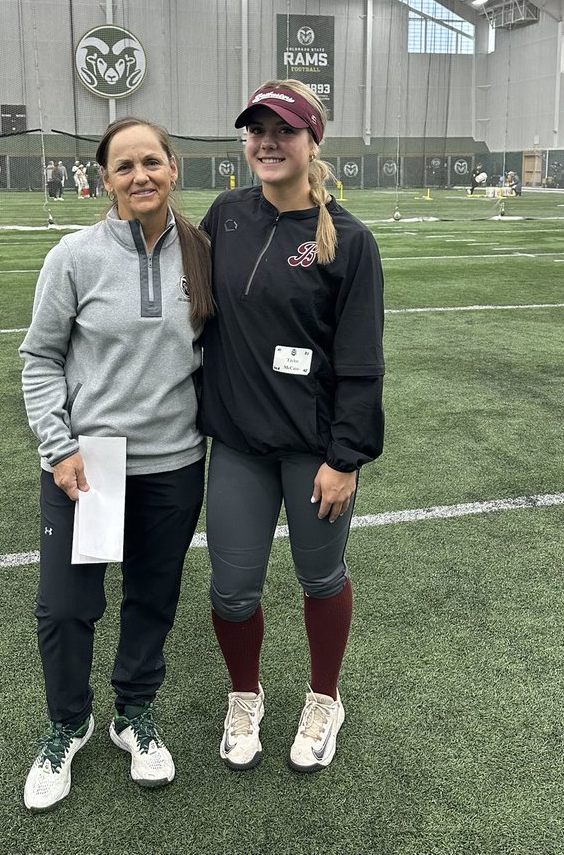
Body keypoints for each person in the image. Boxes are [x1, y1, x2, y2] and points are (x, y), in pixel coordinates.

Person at [19, 117, 214, 809]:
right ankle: (69, 723)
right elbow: (39, 358)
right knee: (67, 608)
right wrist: (59, 446)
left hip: (175, 464)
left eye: (152, 162)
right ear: (104, 179)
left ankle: (134, 715)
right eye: (125, 166)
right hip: (88, 464)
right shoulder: (73, 255)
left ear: (173, 170)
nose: (141, 176)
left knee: (152, 598)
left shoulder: (201, 250)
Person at [199, 79, 385, 774]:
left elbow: (363, 363)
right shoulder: (226, 214)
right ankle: (245, 694)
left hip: (316, 454)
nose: (268, 143)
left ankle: (323, 697)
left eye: (283, 131)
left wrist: (346, 458)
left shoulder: (350, 241)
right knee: (231, 590)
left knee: (320, 577)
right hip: (241, 448)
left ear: (314, 141)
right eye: (256, 131)